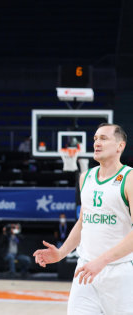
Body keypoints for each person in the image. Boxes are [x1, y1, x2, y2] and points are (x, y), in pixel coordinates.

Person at [33, 123, 132, 315]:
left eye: (104, 138)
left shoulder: (130, 178)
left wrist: (101, 261)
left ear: (120, 146)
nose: (97, 143)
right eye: (95, 139)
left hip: (120, 273)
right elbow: (83, 222)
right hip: (85, 270)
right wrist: (61, 253)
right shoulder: (85, 177)